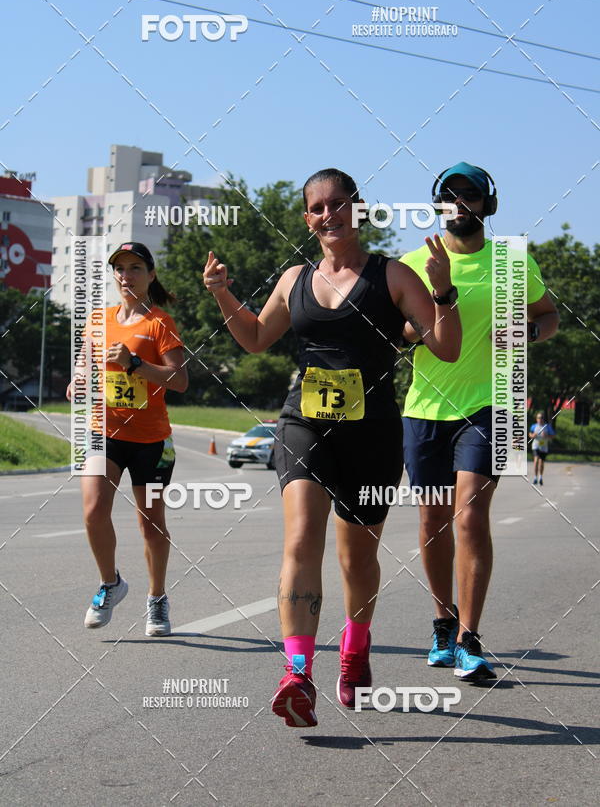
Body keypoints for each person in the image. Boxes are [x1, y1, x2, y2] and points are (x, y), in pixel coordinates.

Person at [203, 168, 461, 727]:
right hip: (304, 423)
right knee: (300, 538)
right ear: (307, 218)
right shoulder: (294, 277)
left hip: (372, 434)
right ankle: (297, 673)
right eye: (317, 208)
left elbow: (446, 346)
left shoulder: (392, 275)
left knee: (358, 558)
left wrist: (441, 289)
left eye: (339, 204)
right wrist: (223, 293)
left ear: (358, 209)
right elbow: (253, 339)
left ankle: (355, 648)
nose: (328, 215)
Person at [401, 162, 559, 681]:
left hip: (499, 402)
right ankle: (443, 622)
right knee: (432, 520)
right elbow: (397, 329)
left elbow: (548, 316)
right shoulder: (413, 262)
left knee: (469, 515)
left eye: (471, 195)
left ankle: (470, 637)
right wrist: (421, 316)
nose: (461, 202)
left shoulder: (513, 262)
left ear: (488, 205)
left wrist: (529, 336)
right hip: (425, 406)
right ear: (438, 205)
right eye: (451, 195)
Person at [67, 242, 188, 636]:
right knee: (92, 511)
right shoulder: (99, 320)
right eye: (119, 268)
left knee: (150, 523)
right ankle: (110, 583)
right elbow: (84, 366)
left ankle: (157, 599)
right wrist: (78, 381)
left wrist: (135, 363)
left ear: (150, 275)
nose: (126, 275)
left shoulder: (159, 323)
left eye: (135, 268)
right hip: (103, 433)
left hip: (151, 441)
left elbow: (180, 381)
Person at [529, 411, 555, 485]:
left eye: (541, 418)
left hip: (544, 447)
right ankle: (535, 477)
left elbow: (553, 435)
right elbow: (530, 434)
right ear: (536, 419)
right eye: (538, 418)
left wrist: (547, 435)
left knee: (541, 462)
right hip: (535, 446)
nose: (540, 419)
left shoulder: (547, 427)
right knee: (536, 460)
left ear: (544, 419)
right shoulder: (534, 426)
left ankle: (540, 477)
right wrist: (533, 435)